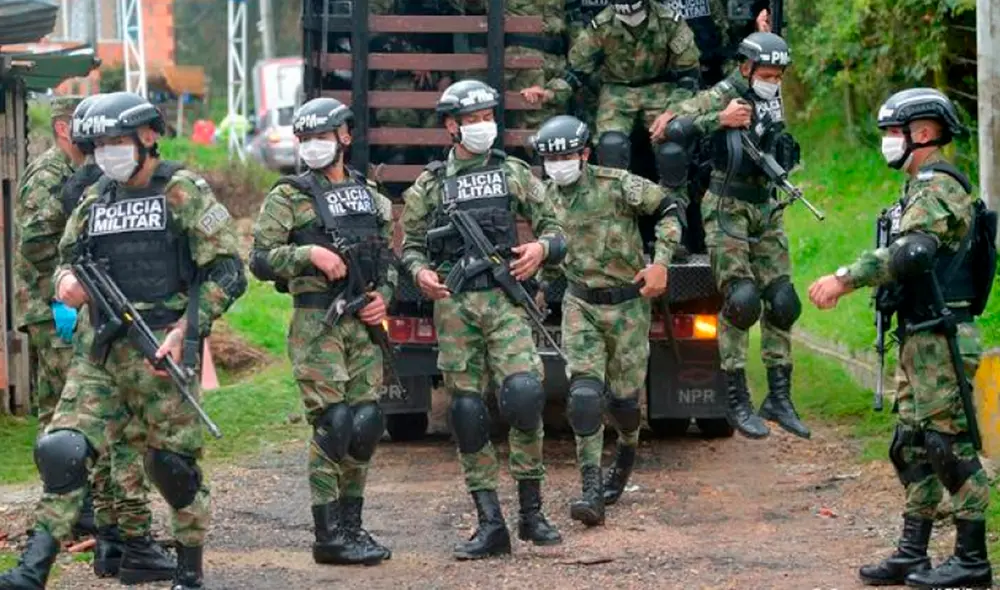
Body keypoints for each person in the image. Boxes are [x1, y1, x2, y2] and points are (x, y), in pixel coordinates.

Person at [0, 91, 246, 590]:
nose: (107, 153)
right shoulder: (95, 198)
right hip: (100, 353)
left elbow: (227, 271)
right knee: (63, 450)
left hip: (161, 351)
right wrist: (66, 283)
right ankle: (33, 570)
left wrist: (187, 330)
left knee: (173, 468)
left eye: (117, 141)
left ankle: (189, 573)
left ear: (149, 135)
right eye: (99, 145)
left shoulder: (182, 190)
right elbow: (63, 259)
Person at [808, 88, 994, 590]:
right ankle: (913, 553)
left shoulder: (939, 188)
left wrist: (844, 279)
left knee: (947, 445)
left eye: (895, 132)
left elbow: (910, 254)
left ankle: (973, 560)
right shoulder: (917, 188)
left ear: (925, 133)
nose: (888, 142)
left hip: (943, 334)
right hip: (920, 333)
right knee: (911, 446)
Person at [399, 79, 566, 559]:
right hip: (454, 306)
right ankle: (490, 522)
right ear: (450, 127)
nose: (482, 127)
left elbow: (556, 228)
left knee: (524, 395)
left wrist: (540, 248)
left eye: (487, 117)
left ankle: (532, 513)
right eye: (471, 121)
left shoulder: (513, 172)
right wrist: (420, 273)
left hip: (505, 301)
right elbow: (409, 248)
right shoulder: (430, 185)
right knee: (467, 412)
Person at [12, 95, 173, 582]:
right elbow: (38, 243)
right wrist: (68, 285)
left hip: (102, 313)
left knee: (102, 428)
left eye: (111, 138)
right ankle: (96, 524)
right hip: (60, 310)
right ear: (66, 129)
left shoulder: (117, 181)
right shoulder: (53, 174)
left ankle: (111, 533)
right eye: (93, 136)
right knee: (73, 427)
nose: (99, 144)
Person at [250, 97, 395, 567]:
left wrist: (383, 298)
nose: (313, 146)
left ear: (344, 137)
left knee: (364, 426)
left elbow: (386, 262)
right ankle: (328, 535)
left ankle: (353, 527)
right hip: (318, 323)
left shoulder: (370, 194)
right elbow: (260, 258)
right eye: (306, 138)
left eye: (322, 137)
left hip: (362, 324)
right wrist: (308, 256)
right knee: (333, 426)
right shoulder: (288, 196)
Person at [647, 32, 808, 440]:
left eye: (778, 74)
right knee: (741, 300)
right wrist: (718, 120)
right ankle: (736, 399)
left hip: (766, 205)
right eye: (766, 73)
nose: (773, 81)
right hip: (726, 207)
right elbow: (676, 126)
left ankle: (779, 396)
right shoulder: (725, 92)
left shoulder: (773, 96)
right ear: (745, 69)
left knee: (783, 300)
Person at [530, 114, 685, 525]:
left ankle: (627, 452)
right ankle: (591, 490)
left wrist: (661, 264)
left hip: (629, 305)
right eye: (549, 157)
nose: (557, 163)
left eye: (565, 155)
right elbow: (550, 250)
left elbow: (670, 208)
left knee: (624, 402)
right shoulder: (545, 198)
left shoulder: (617, 185)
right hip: (582, 306)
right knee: (583, 396)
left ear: (583, 154)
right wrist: (543, 287)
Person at [520, 0, 701, 174]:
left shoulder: (670, 22)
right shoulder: (601, 25)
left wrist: (672, 112)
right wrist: (550, 92)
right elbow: (576, 71)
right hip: (617, 91)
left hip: (661, 89)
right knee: (611, 145)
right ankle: (614, 198)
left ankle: (674, 200)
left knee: (671, 146)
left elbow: (689, 77)